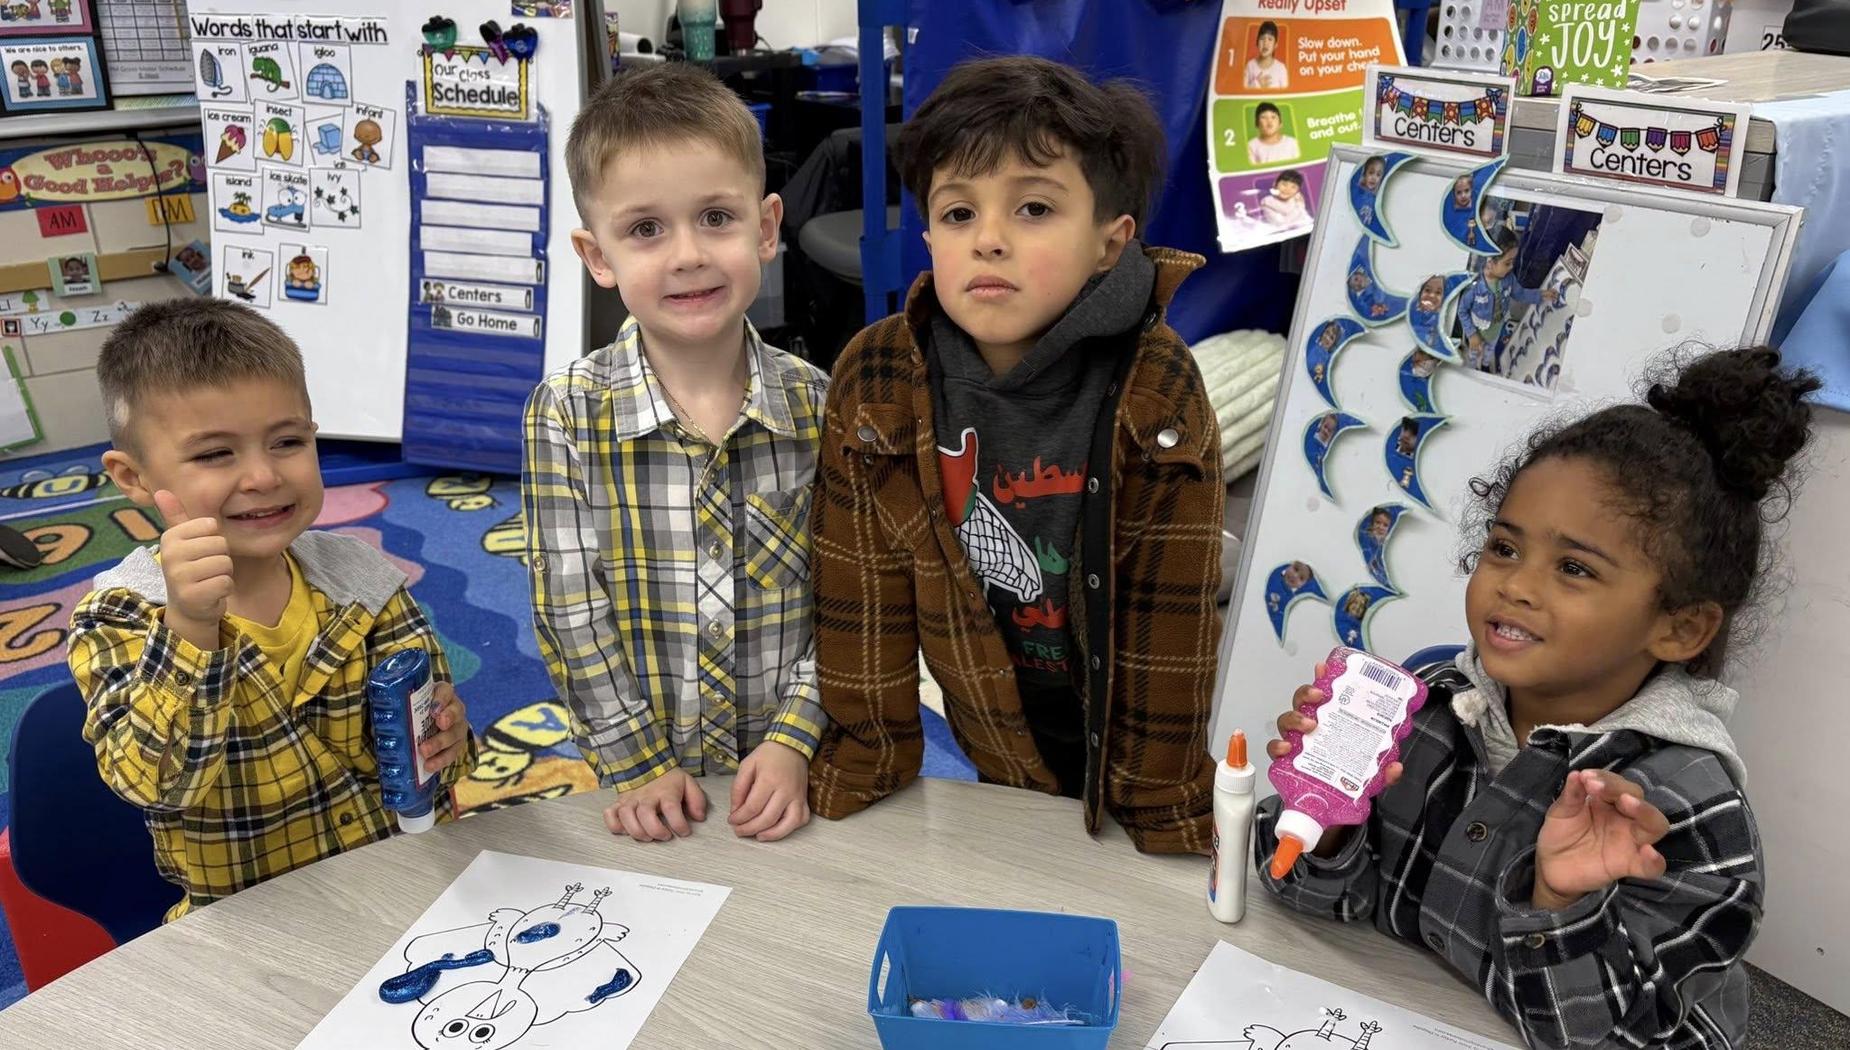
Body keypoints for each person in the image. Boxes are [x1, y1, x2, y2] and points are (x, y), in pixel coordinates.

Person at [1256, 346, 1816, 1049]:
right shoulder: (1428, 708)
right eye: (1504, 549)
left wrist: (1559, 904)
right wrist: (1325, 815)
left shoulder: (1686, 814)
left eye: (1574, 568)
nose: (1515, 585)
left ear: (1680, 627)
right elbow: (1303, 896)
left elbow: (1623, 1040)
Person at [808, 56, 1225, 854]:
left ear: (1111, 242)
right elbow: (861, 608)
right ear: (928, 233)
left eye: (1033, 208)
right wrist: (865, 768)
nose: (988, 240)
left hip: (1121, 727)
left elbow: (1171, 632)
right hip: (985, 722)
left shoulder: (1157, 383)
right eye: (959, 214)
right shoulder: (877, 375)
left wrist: (1163, 814)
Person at [70, 300, 477, 921]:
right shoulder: (120, 616)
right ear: (133, 477)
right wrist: (190, 629)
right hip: (252, 921)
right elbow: (155, 783)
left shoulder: (363, 581)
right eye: (215, 454)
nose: (263, 475)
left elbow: (436, 752)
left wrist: (446, 738)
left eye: (288, 441)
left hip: (406, 884)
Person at [525, 63, 828, 845]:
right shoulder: (564, 414)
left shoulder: (821, 406)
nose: (688, 254)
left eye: (716, 218)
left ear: (765, 228)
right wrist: (636, 761)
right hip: (642, 787)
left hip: (794, 771)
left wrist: (797, 732)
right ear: (598, 256)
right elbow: (569, 610)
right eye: (646, 230)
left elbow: (852, 594)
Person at [1460, 227, 1557, 371]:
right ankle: (1472, 368)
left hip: (1496, 329)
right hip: (1478, 331)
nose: (1511, 267)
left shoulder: (1509, 279)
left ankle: (1486, 365)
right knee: (1474, 355)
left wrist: (1541, 294)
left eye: (1513, 262)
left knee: (1489, 351)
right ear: (1490, 263)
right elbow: (1462, 311)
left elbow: (1520, 294)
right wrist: (1472, 334)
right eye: (1507, 263)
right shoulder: (1474, 286)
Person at [1244, 21, 1289, 89]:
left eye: (1270, 39)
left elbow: (1285, 95)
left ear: (1275, 45)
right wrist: (1257, 84)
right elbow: (1243, 93)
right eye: (1262, 38)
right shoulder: (1250, 66)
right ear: (1257, 42)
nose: (1265, 43)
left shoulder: (1281, 68)